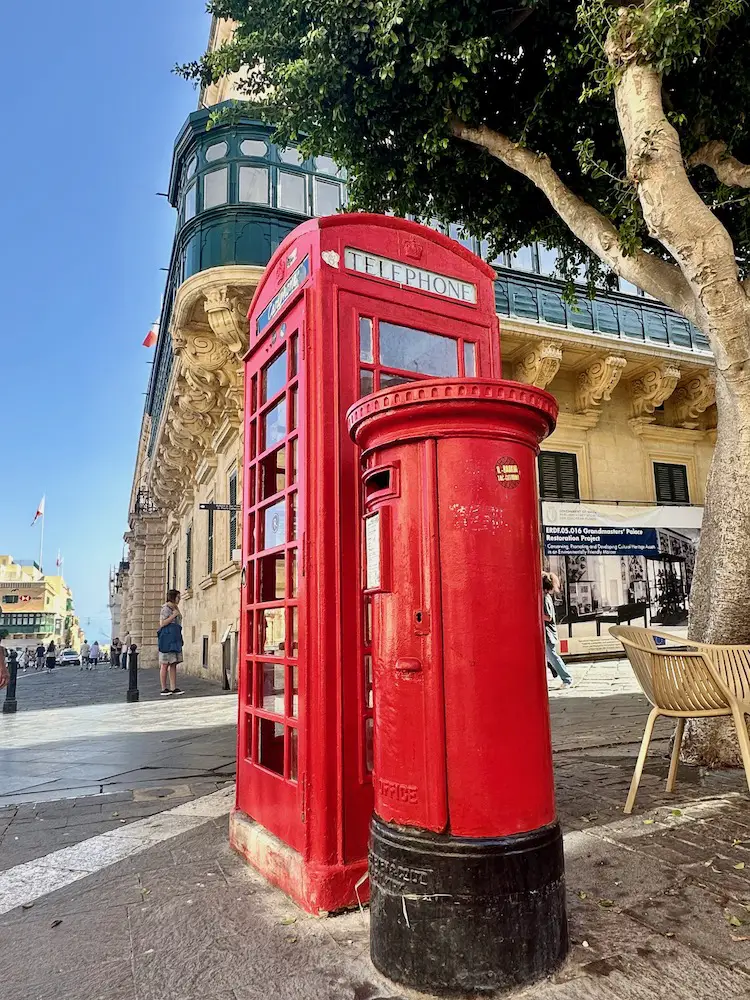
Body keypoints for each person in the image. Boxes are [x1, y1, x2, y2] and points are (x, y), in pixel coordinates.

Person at [542, 572, 573, 688]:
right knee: (549, 656)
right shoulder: (546, 597)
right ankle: (555, 672)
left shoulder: (545, 598)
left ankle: (567, 679)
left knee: (553, 656)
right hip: (548, 633)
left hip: (548, 633)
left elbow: (548, 617)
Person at [157, 590, 184, 696]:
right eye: (178, 597)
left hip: (175, 637)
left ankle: (173, 687)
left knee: (173, 663)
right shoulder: (165, 609)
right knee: (164, 664)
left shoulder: (175, 608)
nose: (179, 599)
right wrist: (173, 616)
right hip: (167, 639)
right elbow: (162, 623)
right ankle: (164, 688)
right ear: (173, 597)